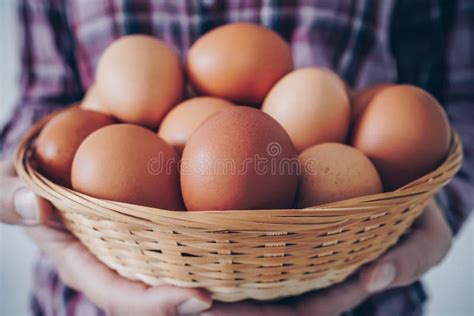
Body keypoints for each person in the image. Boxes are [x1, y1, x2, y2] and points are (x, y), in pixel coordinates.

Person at [0, 0, 472, 315]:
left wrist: (435, 209)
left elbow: (459, 100)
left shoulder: (305, 139)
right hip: (92, 297)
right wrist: (41, 209)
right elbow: (48, 103)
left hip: (359, 286)